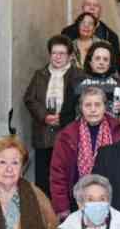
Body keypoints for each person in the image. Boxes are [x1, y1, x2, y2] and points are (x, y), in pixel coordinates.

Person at [24, 35, 84, 197]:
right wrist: (44, 116)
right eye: (54, 53)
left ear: (70, 56)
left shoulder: (78, 75)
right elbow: (30, 99)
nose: (57, 57)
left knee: (65, 177)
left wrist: (63, 118)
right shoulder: (40, 74)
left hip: (68, 133)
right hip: (43, 133)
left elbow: (83, 102)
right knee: (43, 179)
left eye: (62, 53)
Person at [50, 87, 120, 218]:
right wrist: (62, 208)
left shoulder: (118, 131)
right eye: (88, 105)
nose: (93, 109)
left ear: (105, 107)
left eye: (97, 104)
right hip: (78, 202)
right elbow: (58, 174)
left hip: (113, 201)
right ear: (81, 108)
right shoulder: (67, 135)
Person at [62, 0, 120, 76]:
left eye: (96, 6)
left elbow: (116, 65)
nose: (92, 8)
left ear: (100, 11)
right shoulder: (67, 32)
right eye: (88, 5)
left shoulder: (111, 36)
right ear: (82, 8)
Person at [71, 41, 120, 118]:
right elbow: (67, 114)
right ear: (90, 62)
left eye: (105, 59)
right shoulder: (76, 83)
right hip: (81, 128)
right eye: (97, 58)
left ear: (110, 64)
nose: (101, 62)